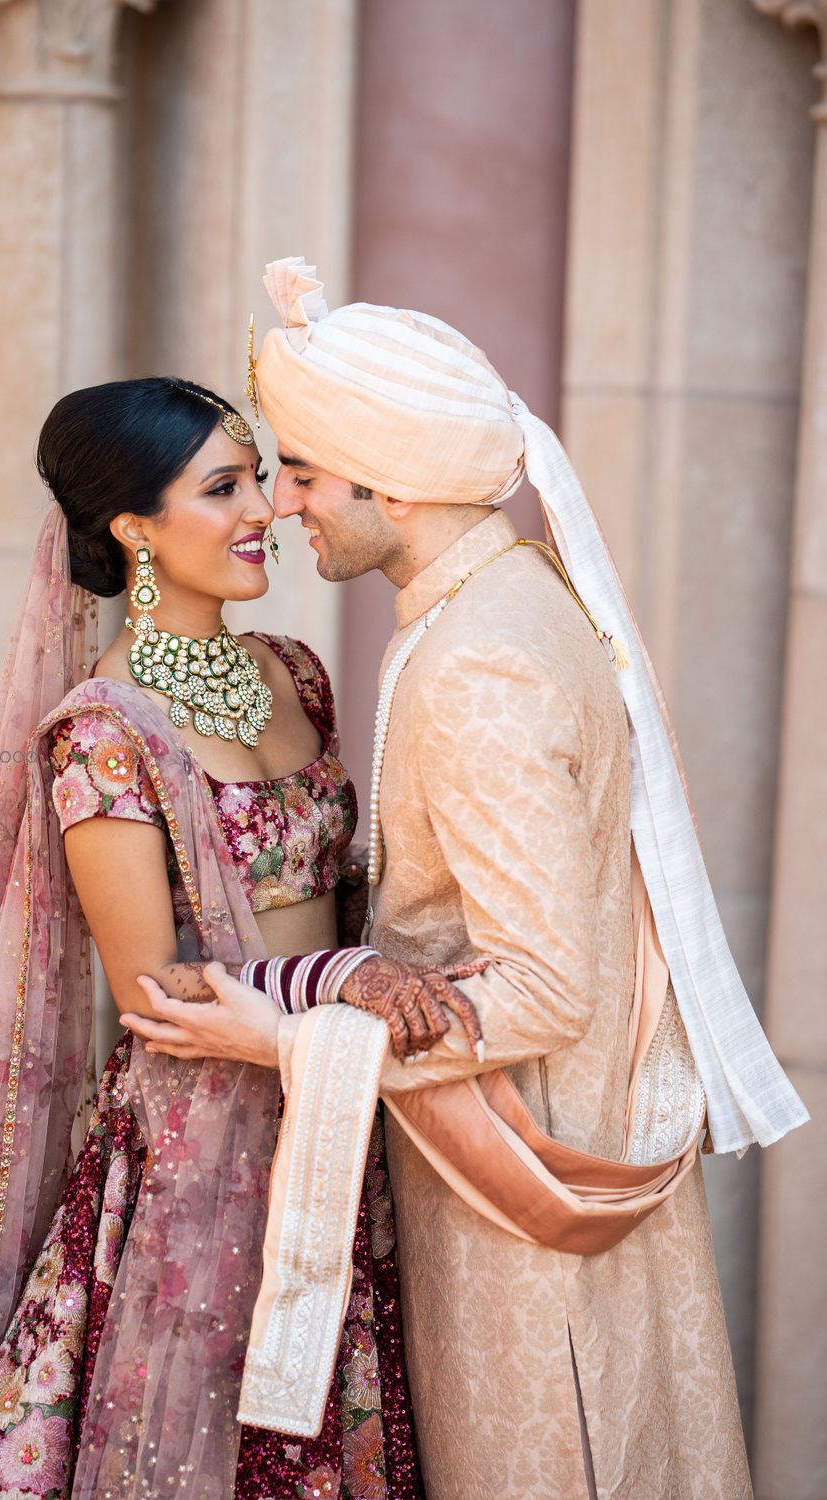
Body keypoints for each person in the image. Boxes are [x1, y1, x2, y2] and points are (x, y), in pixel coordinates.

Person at [122, 261, 809, 1500]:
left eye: (306, 475)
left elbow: (546, 991)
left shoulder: (477, 664)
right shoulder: (504, 598)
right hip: (546, 1168)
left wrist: (282, 1034)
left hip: (527, 1220)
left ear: (392, 483)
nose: (283, 505)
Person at [0, 377, 435, 1499]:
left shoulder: (290, 671)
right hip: (206, 1152)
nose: (266, 508)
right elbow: (159, 990)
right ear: (132, 527)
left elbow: (342, 883)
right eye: (224, 487)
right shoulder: (104, 732)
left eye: (259, 477)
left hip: (341, 1109)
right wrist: (348, 974)